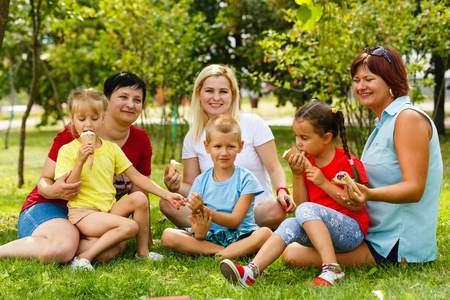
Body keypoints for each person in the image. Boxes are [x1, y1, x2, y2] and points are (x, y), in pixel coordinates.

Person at [282, 46, 443, 267]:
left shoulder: (408, 119)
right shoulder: (384, 123)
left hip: (395, 243)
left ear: (391, 80)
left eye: (369, 79)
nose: (360, 86)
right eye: (356, 80)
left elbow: (414, 189)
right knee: (293, 244)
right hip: (371, 232)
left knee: (294, 254)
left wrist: (367, 194)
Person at [0, 72, 178, 263]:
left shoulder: (135, 141)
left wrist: (148, 237)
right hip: (53, 206)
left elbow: (139, 192)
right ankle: (57, 244)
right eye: (123, 97)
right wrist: (54, 190)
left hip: (98, 213)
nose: (130, 104)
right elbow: (44, 179)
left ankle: (75, 246)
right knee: (62, 248)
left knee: (110, 250)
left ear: (101, 114)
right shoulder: (73, 134)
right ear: (107, 102)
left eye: (137, 100)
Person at [219, 100, 369, 287]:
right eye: (296, 136)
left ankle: (333, 269)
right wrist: (298, 175)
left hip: (351, 232)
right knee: (290, 221)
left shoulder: (347, 163)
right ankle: (251, 271)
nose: (298, 143)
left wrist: (323, 182)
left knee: (305, 210)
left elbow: (356, 203)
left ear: (327, 137)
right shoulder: (308, 163)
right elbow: (300, 207)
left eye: (304, 138)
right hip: (320, 233)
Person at [56, 87, 185, 270]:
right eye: (82, 119)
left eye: (94, 118)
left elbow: (137, 177)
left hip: (108, 210)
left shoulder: (112, 149)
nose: (88, 125)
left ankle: (143, 253)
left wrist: (167, 195)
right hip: (84, 213)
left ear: (103, 118)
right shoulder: (67, 150)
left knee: (139, 198)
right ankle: (83, 258)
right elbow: (68, 188)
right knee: (130, 227)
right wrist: (80, 161)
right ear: (72, 119)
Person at [161, 64, 295, 230]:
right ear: (199, 94)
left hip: (254, 211)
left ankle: (218, 233)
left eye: (223, 92)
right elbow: (191, 186)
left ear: (232, 95)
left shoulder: (253, 123)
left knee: (276, 210)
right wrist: (176, 187)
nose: (216, 97)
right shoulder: (193, 136)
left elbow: (275, 169)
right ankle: (228, 231)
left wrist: (282, 191)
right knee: (166, 203)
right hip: (215, 213)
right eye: (209, 91)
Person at [161, 115, 272, 260]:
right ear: (207, 147)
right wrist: (200, 231)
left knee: (265, 233)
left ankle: (214, 253)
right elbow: (199, 229)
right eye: (218, 146)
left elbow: (235, 221)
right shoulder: (201, 181)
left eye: (230, 146)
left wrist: (204, 209)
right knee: (168, 235)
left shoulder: (247, 179)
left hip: (240, 234)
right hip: (211, 235)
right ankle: (224, 253)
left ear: (240, 146)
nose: (224, 153)